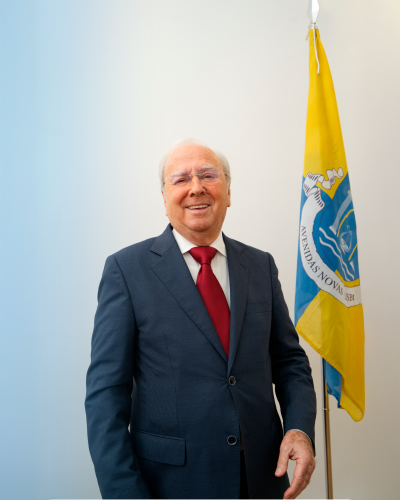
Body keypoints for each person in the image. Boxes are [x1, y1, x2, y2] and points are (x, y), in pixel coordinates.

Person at [85, 138, 317, 499]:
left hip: (263, 478)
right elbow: (105, 396)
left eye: (208, 175)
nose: (196, 188)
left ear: (228, 192)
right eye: (181, 179)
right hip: (172, 484)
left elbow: (290, 363)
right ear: (164, 197)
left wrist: (300, 430)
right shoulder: (126, 270)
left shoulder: (260, 265)